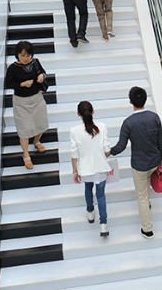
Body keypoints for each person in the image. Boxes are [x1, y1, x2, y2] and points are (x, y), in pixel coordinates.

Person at [109, 87, 162, 239]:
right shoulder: (155, 117)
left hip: (139, 164)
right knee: (147, 186)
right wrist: (160, 157)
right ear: (145, 99)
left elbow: (120, 146)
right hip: (154, 161)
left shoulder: (128, 123)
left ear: (130, 101)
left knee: (141, 195)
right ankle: (148, 203)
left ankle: (147, 229)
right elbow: (161, 142)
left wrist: (109, 152)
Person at [4, 41, 49, 169]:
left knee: (40, 123)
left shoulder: (35, 62)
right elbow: (8, 83)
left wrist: (41, 76)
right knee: (23, 129)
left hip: (36, 98)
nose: (26, 58)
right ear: (17, 55)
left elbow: (43, 72)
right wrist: (21, 85)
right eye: (23, 55)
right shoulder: (13, 68)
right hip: (21, 101)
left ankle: (36, 141)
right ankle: (26, 154)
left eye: (28, 55)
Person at [71, 101, 112, 237]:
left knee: (88, 189)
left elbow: (74, 154)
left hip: (85, 168)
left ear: (78, 114)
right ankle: (103, 225)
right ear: (93, 112)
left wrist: (75, 171)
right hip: (100, 167)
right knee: (101, 195)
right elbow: (107, 150)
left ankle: (90, 213)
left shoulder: (74, 131)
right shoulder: (102, 127)